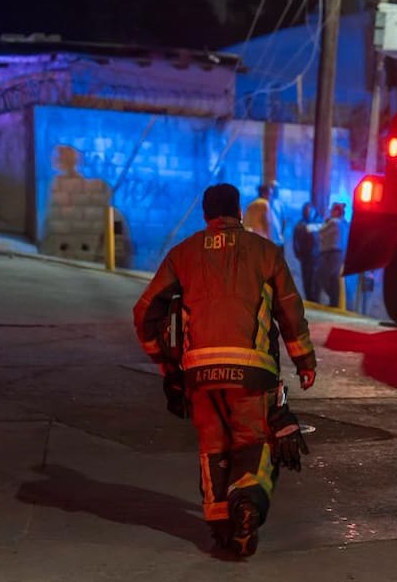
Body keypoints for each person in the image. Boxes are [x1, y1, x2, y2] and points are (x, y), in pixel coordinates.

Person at [132, 183, 317, 558]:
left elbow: (145, 311)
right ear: (239, 213)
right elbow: (289, 310)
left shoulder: (182, 254)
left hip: (198, 372)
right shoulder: (266, 252)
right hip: (252, 372)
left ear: (205, 215)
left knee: (212, 447)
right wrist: (304, 362)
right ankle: (246, 506)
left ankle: (220, 528)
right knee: (253, 441)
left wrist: (166, 363)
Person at [316, 202, 348, 308]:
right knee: (333, 279)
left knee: (323, 276)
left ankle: (334, 300)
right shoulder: (343, 222)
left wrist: (325, 220)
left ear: (337, 212)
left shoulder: (334, 222)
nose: (330, 212)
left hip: (332, 253)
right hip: (337, 253)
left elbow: (320, 231)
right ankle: (334, 302)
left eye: (332, 210)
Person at [292, 202, 321, 302]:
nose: (308, 212)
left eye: (310, 210)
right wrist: (298, 254)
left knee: (316, 279)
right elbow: (295, 241)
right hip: (306, 257)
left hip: (317, 257)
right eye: (306, 210)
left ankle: (315, 299)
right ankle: (310, 299)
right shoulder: (300, 225)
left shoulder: (317, 224)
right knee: (307, 279)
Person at [244, 181, 285, 246]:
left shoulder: (251, 204)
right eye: (270, 194)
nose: (271, 196)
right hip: (261, 238)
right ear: (264, 194)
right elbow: (267, 223)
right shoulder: (265, 204)